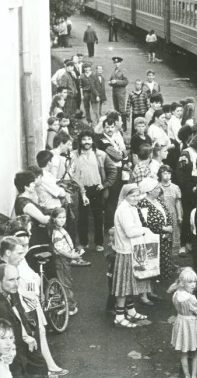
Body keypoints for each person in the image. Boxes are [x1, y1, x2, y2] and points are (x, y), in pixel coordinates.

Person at [0, 265, 48, 378]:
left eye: (17, 279)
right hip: (3, 354)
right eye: (11, 280)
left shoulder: (2, 293)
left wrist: (25, 337)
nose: (16, 283)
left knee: (39, 365)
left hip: (10, 347)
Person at [111, 184, 152, 328]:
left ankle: (131, 311)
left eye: (137, 195)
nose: (136, 198)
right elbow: (130, 232)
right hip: (126, 251)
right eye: (132, 195)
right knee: (123, 285)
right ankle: (119, 317)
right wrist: (144, 230)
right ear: (125, 196)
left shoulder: (131, 207)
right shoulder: (124, 210)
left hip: (132, 249)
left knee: (129, 283)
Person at [70, 130, 117, 251]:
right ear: (80, 141)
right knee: (82, 217)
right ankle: (83, 242)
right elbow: (70, 173)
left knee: (98, 217)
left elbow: (113, 170)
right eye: (84, 139)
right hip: (81, 189)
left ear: (92, 140)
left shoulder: (101, 154)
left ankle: (99, 243)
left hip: (97, 188)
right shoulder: (74, 155)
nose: (87, 142)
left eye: (89, 139)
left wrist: (105, 184)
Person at [167, 267, 197, 378]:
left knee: (184, 352)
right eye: (190, 282)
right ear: (183, 283)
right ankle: (193, 376)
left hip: (180, 322)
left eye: (194, 281)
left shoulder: (176, 294)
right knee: (196, 351)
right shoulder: (190, 298)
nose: (193, 285)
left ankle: (187, 375)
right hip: (191, 324)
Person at [48, 208, 80, 316]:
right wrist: (71, 255)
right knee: (65, 283)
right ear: (54, 219)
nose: (62, 220)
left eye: (64, 217)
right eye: (59, 217)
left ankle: (64, 303)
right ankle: (70, 306)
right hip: (61, 260)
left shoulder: (60, 229)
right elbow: (59, 249)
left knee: (65, 281)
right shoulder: (56, 233)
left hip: (65, 259)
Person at [109, 57, 129, 128]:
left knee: (121, 109)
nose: (116, 64)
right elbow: (111, 80)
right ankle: (118, 125)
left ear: (120, 63)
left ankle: (124, 127)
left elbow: (126, 82)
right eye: (115, 63)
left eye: (118, 62)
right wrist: (110, 82)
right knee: (116, 109)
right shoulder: (113, 71)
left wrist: (116, 81)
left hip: (121, 92)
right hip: (114, 92)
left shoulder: (123, 71)